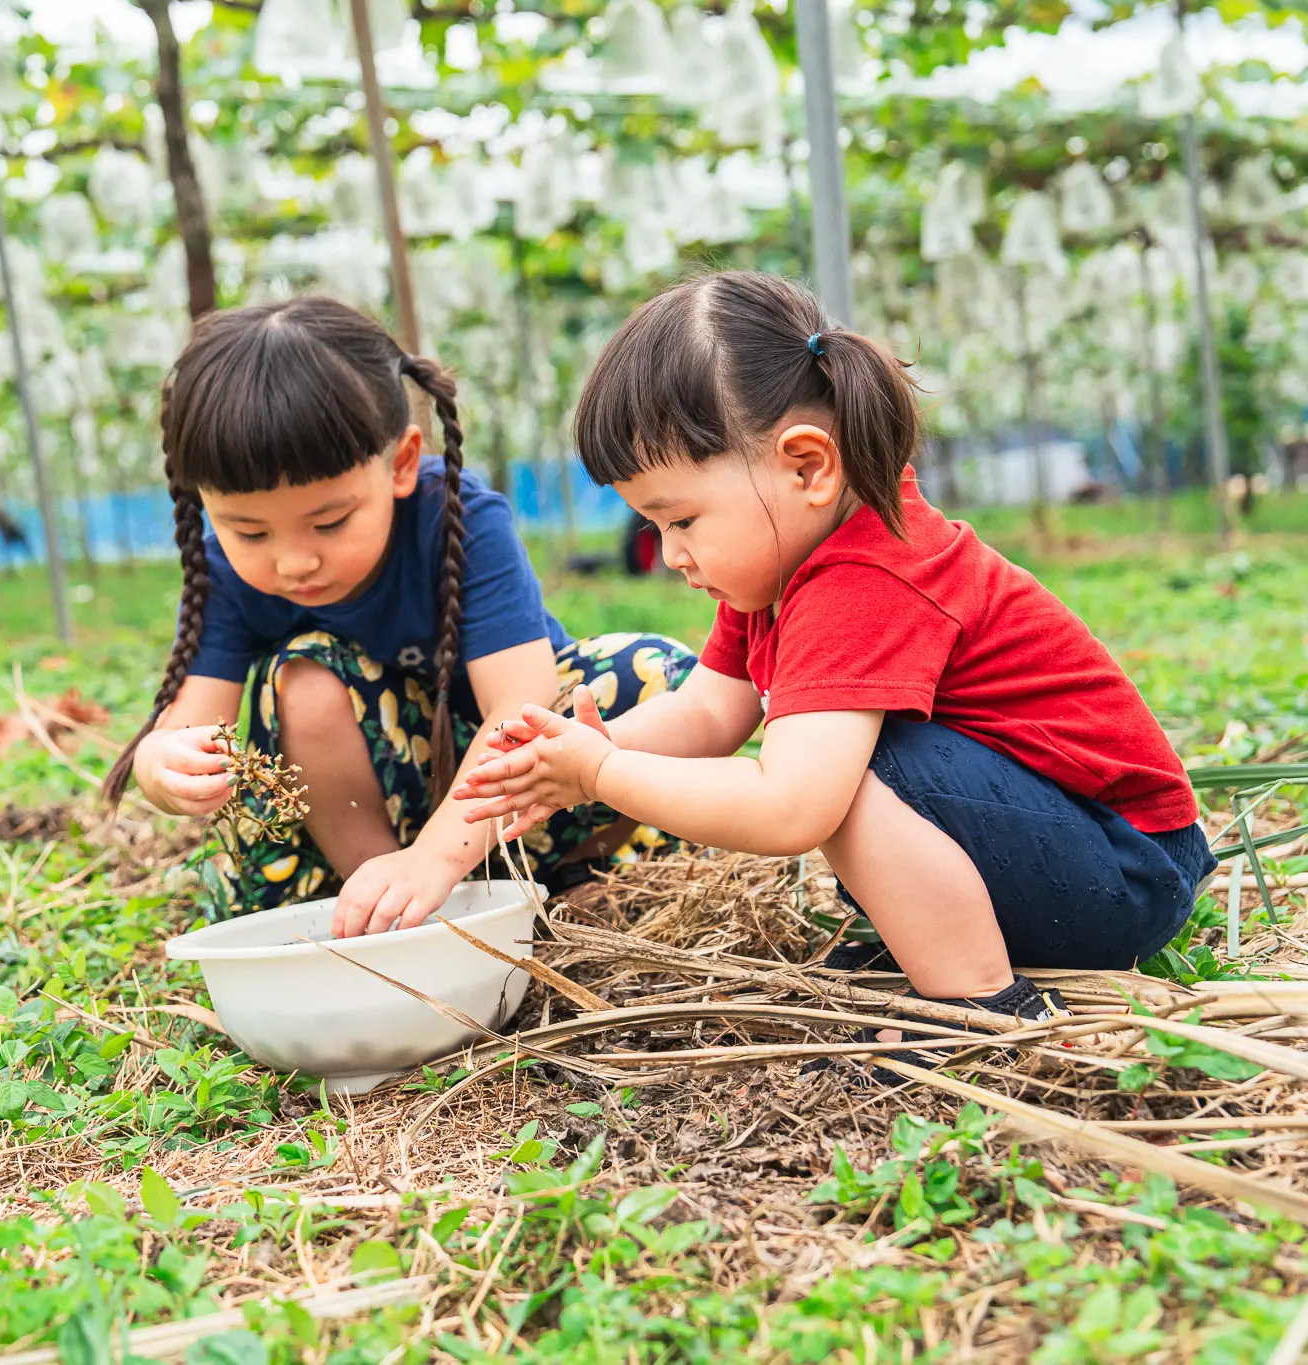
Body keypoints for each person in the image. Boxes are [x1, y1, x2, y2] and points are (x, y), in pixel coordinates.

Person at [453, 271, 1215, 1063]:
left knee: (835, 771)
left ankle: (981, 1001)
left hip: (1124, 870)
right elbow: (710, 713)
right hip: (1067, 850)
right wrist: (577, 757)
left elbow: (792, 808)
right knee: (838, 753)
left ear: (809, 466)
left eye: (681, 519)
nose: (670, 553)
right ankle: (943, 947)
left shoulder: (866, 577)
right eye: (653, 524)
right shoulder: (785, 568)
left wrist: (606, 774)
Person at [100, 297, 695, 936]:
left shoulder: (458, 523)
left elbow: (521, 706)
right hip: (362, 817)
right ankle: (385, 908)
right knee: (303, 675)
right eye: (248, 531)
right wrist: (164, 768)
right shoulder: (225, 573)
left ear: (403, 464)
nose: (294, 561)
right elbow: (187, 729)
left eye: (329, 521)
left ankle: (578, 876)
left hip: (518, 801)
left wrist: (439, 856)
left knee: (655, 677)